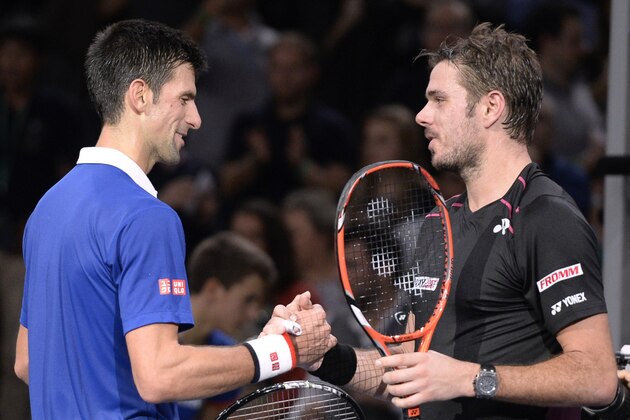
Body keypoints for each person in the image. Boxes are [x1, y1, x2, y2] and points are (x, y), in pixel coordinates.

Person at [271, 22, 619, 419]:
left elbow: (596, 376)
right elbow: (403, 369)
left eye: (438, 100)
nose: (421, 116)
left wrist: (470, 379)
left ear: (491, 107)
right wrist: (321, 355)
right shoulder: (438, 223)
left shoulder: (546, 217)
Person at [14, 19, 334, 419]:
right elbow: (160, 375)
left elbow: (28, 363)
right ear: (140, 95)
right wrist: (283, 351)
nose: (196, 117)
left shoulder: (47, 209)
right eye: (185, 98)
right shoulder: (147, 217)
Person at [176, 231, 277, 420]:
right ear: (213, 289)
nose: (253, 313)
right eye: (248, 299)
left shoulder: (229, 354)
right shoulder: (149, 337)